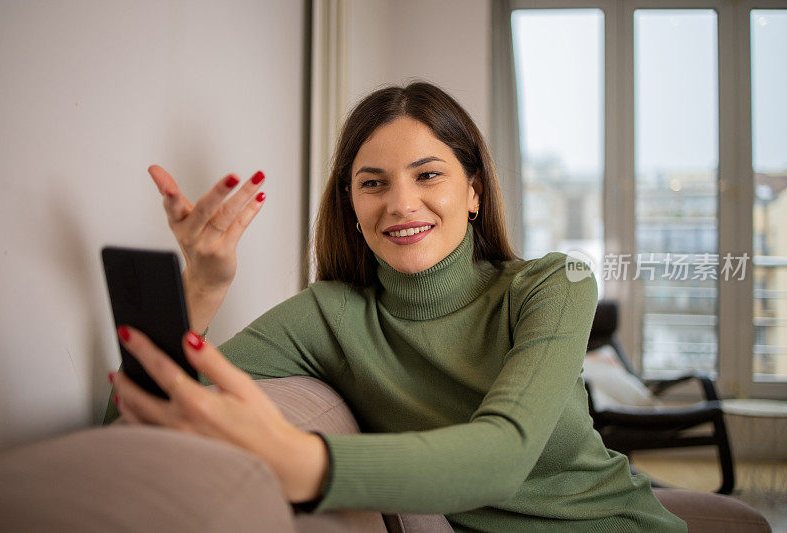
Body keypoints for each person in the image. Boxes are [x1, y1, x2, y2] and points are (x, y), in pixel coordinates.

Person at [102, 82, 687, 532]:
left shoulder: (553, 285)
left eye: (428, 175)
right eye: (373, 183)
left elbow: (503, 454)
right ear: (352, 205)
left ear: (474, 192)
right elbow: (130, 425)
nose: (401, 204)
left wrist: (306, 463)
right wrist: (202, 285)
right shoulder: (329, 317)